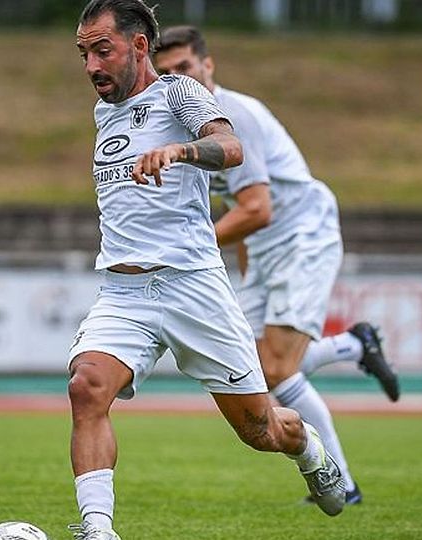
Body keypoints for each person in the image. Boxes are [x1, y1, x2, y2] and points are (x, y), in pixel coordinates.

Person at [68, 2, 346, 538]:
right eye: (84, 54)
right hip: (125, 290)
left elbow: (231, 146)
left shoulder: (179, 92)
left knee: (259, 429)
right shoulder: (104, 111)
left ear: (139, 46)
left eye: (103, 50)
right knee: (87, 386)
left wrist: (181, 151)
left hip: (194, 287)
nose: (91, 66)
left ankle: (309, 450)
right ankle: (98, 530)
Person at [154, 25, 401, 505]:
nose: (175, 79)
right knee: (257, 366)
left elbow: (257, 208)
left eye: (183, 68)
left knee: (276, 369)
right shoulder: (188, 125)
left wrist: (190, 247)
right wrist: (244, 271)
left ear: (208, 65)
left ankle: (343, 483)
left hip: (302, 235)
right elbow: (241, 211)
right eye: (164, 74)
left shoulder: (232, 117)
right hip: (264, 247)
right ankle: (354, 344)